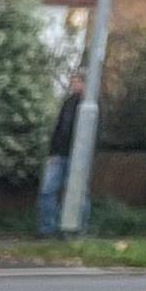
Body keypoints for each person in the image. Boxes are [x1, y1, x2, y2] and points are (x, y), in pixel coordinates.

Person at [40, 73, 85, 236]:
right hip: (59, 154)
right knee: (47, 190)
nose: (73, 85)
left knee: (78, 192)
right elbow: (59, 129)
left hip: (78, 157)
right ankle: (48, 229)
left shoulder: (90, 105)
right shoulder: (68, 103)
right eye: (72, 82)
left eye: (77, 81)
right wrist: (52, 153)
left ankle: (77, 230)